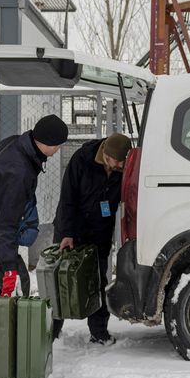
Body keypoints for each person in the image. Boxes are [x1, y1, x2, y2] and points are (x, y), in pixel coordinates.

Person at [0, 114, 68, 297]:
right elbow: (6, 221)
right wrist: (9, 266)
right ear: (47, 142)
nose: (58, 150)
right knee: (10, 282)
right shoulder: (17, 171)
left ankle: (2, 318)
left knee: (3, 284)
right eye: (57, 145)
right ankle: (5, 321)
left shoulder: (18, 145)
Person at [52, 132, 133, 344]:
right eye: (110, 161)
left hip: (100, 230)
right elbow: (67, 198)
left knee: (98, 280)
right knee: (61, 279)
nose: (114, 166)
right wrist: (67, 233)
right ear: (104, 152)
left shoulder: (125, 167)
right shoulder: (82, 159)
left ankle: (99, 332)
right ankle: (52, 330)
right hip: (71, 228)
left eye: (119, 163)